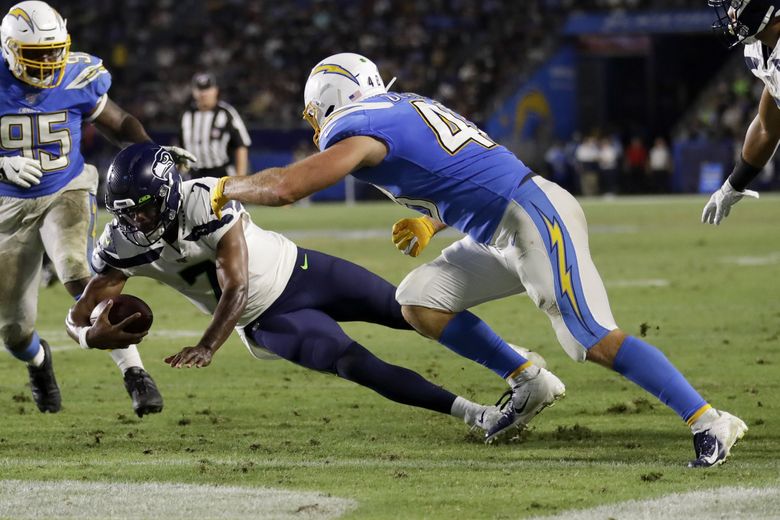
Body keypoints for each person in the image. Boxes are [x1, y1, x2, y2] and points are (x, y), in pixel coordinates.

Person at [211, 52, 748, 466]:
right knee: (419, 299)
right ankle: (527, 381)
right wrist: (432, 219)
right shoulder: (402, 107)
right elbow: (467, 174)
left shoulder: (358, 127)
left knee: (590, 340)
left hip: (532, 218)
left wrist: (224, 187)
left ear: (331, 98)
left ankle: (708, 420)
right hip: (499, 226)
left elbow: (286, 188)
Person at [65, 142, 518, 436]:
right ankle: (479, 415)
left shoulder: (203, 198)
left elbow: (236, 284)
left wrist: (207, 344)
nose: (135, 221)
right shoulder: (121, 241)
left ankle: (517, 367)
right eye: (125, 212)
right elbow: (78, 313)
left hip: (301, 267)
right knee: (356, 362)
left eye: (143, 209)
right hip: (269, 320)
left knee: (407, 308)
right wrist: (89, 337)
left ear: (167, 192)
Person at [0, 1, 195, 416]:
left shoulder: (76, 73)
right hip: (6, 208)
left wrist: (152, 152)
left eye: (55, 52)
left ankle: (135, 373)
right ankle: (38, 361)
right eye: (37, 56)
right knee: (14, 330)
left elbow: (119, 122)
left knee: (76, 268)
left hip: (64, 190)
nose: (50, 64)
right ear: (9, 50)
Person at [702, 0, 777, 225]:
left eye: (736, 4)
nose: (731, 14)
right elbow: (768, 128)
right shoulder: (758, 48)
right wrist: (732, 186)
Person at [180, 72, 252, 179]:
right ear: (193, 92)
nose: (203, 94)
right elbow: (181, 147)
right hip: (193, 174)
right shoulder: (186, 114)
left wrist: (240, 178)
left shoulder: (227, 113)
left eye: (207, 89)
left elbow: (241, 145)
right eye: (200, 90)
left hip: (221, 174)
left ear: (215, 90)